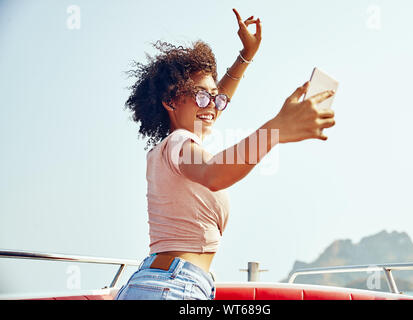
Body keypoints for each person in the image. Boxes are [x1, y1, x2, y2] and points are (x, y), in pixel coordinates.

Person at [115, 8, 336, 300]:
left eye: (215, 98)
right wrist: (275, 130)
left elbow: (218, 97)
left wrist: (246, 56)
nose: (212, 106)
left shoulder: (169, 146)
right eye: (201, 96)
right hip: (173, 287)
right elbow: (213, 173)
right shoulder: (180, 143)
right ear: (170, 100)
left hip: (161, 282)